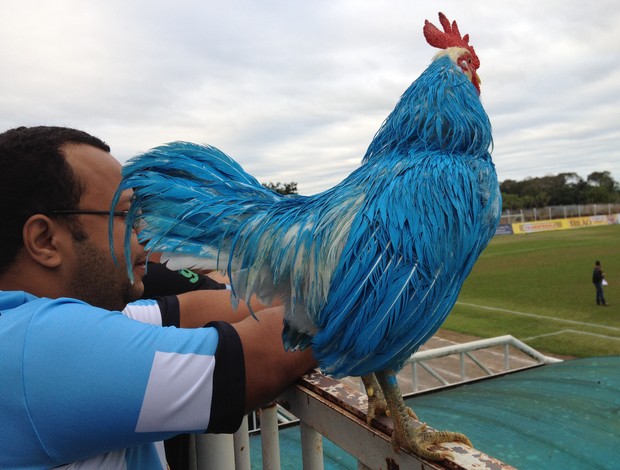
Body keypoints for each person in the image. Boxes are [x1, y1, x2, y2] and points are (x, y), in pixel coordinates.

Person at [0, 126, 316, 469]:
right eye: (126, 216)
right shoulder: (37, 347)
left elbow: (198, 309)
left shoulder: (45, 325)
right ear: (45, 240)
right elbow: (258, 359)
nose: (144, 235)